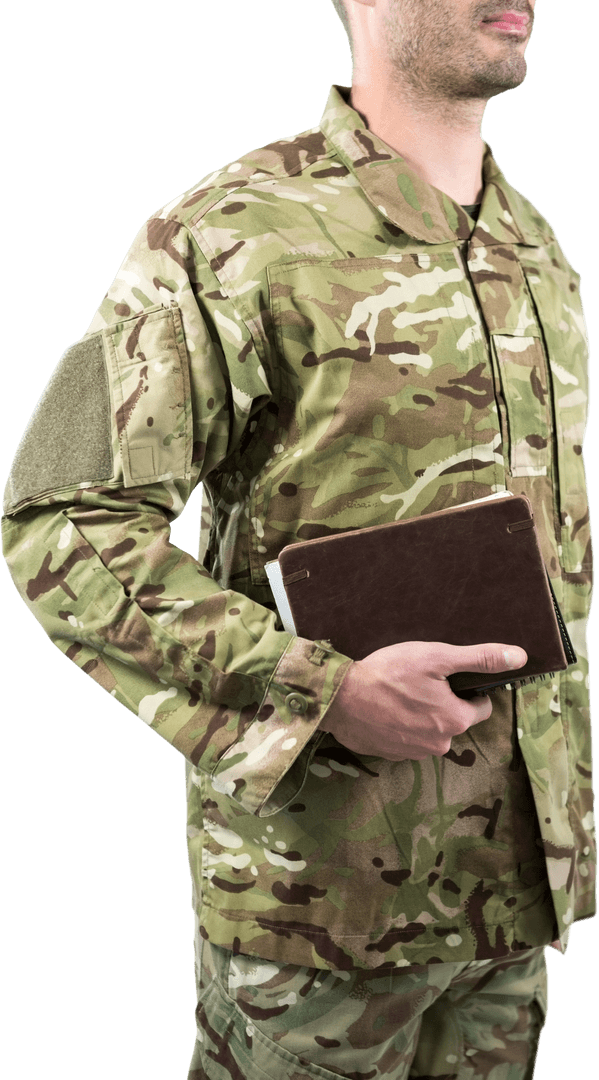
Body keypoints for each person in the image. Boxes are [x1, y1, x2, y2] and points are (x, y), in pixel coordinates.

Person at [1, 1, 594, 1077]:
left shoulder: (534, 246)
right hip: (320, 914)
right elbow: (62, 526)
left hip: (512, 898)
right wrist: (315, 687)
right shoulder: (227, 233)